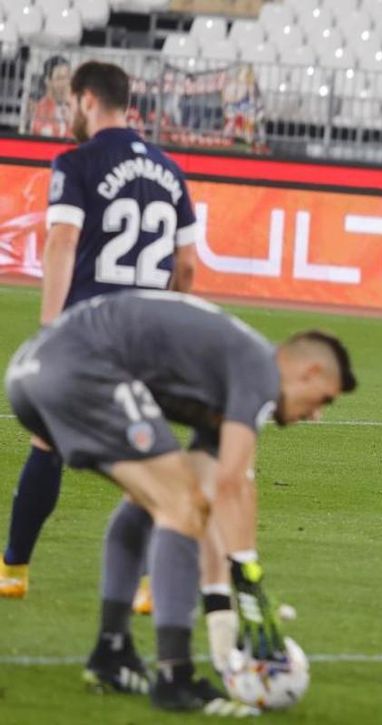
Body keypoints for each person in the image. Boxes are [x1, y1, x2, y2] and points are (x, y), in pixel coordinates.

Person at [4, 290, 357, 712]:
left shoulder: (230, 375)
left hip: (32, 373)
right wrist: (247, 571)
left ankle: (111, 653)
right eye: (324, 399)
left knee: (153, 501)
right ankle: (175, 678)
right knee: (178, 504)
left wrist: (221, 610)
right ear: (309, 371)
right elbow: (233, 486)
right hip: (78, 368)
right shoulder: (260, 370)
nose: (316, 414)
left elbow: (213, 490)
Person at [1, 61, 198, 600]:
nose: (68, 113)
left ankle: (13, 571)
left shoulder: (76, 162)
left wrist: (49, 325)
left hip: (89, 330)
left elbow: (63, 240)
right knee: (146, 455)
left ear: (88, 100)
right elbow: (188, 265)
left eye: (69, 102)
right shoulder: (169, 170)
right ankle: (150, 583)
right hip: (147, 335)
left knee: (47, 440)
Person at [29, 55, 73, 138]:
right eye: (60, 78)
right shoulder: (41, 109)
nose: (66, 83)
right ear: (48, 81)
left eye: (68, 77)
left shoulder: (74, 107)